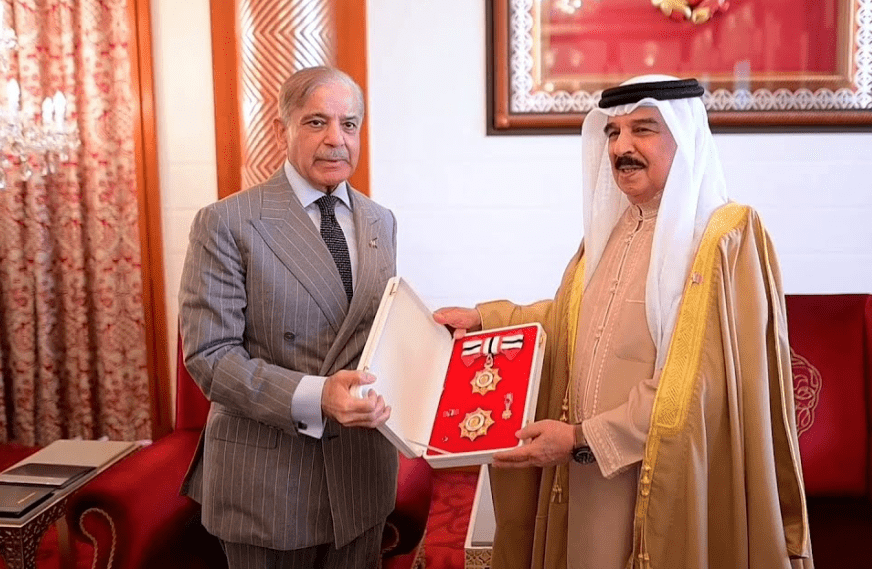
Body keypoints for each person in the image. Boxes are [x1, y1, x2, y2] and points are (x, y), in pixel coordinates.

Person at [434, 75, 814, 569]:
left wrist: (581, 438)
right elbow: (571, 320)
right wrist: (487, 319)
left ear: (686, 137)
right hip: (586, 471)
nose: (621, 148)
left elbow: (697, 384)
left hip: (661, 479)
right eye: (612, 133)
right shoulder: (614, 231)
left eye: (643, 130)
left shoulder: (724, 241)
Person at [179, 66, 398, 569]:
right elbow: (210, 358)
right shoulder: (227, 222)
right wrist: (316, 396)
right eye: (316, 122)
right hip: (271, 482)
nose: (335, 141)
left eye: (349, 125)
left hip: (361, 474)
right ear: (283, 129)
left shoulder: (379, 220)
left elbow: (376, 331)